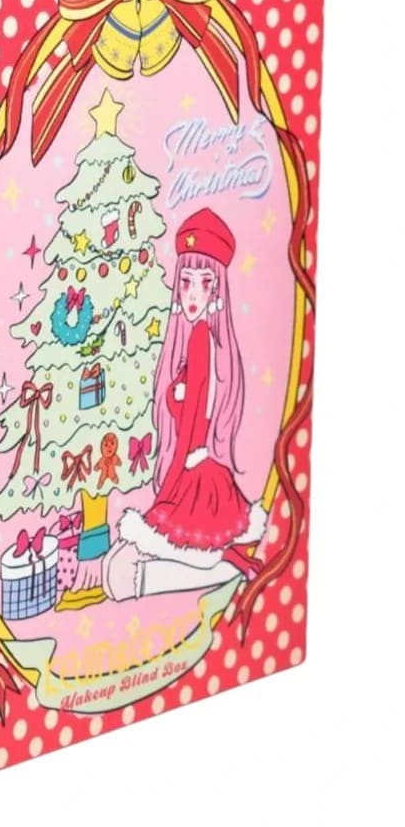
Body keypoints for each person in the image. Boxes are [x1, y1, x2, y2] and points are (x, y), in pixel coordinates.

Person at [103, 208, 266, 600]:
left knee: (143, 558)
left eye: (205, 283)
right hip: (200, 469)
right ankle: (235, 563)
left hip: (194, 473)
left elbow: (192, 422)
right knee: (161, 551)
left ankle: (230, 565)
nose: (192, 295)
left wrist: (171, 482)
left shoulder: (199, 340)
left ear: (217, 290)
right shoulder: (199, 339)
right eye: (186, 282)